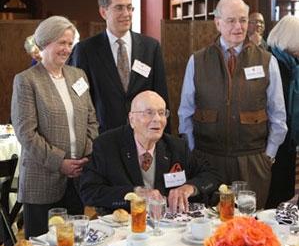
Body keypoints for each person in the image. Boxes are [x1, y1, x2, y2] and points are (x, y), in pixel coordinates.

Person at [178, 0, 287, 209]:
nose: (238, 27)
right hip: (208, 161)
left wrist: (268, 157)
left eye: (243, 20)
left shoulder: (267, 61)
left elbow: (278, 115)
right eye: (231, 20)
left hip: (252, 162)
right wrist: (193, 154)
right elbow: (185, 113)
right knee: (208, 224)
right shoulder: (197, 61)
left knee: (248, 226)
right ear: (217, 23)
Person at [11, 16, 98, 238]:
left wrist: (85, 154)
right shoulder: (27, 80)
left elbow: (91, 119)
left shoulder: (78, 75)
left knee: (74, 242)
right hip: (42, 180)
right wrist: (60, 163)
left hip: (77, 178)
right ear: (44, 43)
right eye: (61, 42)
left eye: (70, 43)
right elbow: (26, 134)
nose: (67, 49)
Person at [80, 91, 221, 214]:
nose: (157, 119)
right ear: (132, 119)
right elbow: (89, 191)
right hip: (126, 226)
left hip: (167, 226)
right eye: (149, 113)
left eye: (161, 113)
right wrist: (135, 193)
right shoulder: (106, 145)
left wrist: (189, 188)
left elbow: (212, 175)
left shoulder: (176, 146)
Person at [69, 0, 169, 133]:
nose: (126, 13)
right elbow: (79, 99)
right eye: (119, 8)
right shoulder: (85, 50)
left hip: (144, 134)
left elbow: (161, 94)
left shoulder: (151, 47)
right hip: (102, 135)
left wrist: (165, 139)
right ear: (104, 12)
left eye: (129, 8)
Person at [265, 15, 299, 208]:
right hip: (271, 136)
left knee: (283, 189)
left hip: (287, 137)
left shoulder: (292, 64)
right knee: (272, 190)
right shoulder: (272, 62)